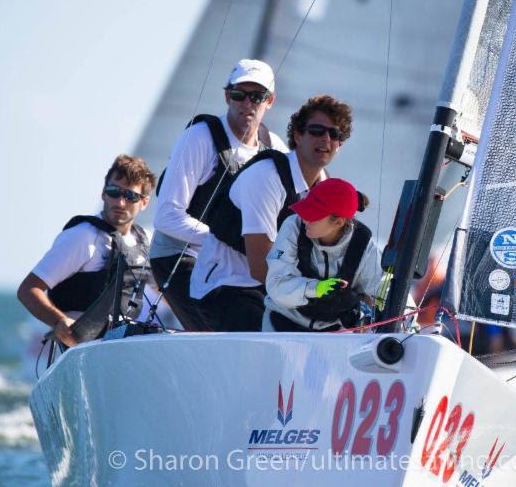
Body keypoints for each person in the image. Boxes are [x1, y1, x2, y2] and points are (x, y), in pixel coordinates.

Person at [190, 94, 353, 331]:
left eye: (335, 135)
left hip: (274, 291)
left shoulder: (325, 186)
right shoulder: (267, 178)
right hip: (226, 289)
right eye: (317, 130)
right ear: (297, 135)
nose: (326, 139)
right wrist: (312, 297)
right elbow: (260, 267)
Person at [150, 59, 287, 330]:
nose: (247, 103)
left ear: (269, 101)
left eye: (256, 96)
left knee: (276, 324)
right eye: (238, 95)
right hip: (180, 255)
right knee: (233, 331)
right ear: (227, 96)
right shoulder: (199, 137)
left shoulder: (276, 149)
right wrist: (225, 242)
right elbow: (166, 216)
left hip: (237, 264)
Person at [17, 155, 157, 347]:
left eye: (130, 196)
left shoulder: (145, 241)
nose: (120, 202)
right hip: (79, 350)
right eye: (113, 191)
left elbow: (165, 293)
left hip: (119, 349)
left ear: (144, 202)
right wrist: (59, 322)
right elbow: (28, 290)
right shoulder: (83, 237)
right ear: (103, 193)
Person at [262, 178, 384, 332]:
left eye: (312, 214)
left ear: (338, 223)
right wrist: (316, 289)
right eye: (305, 208)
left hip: (334, 332)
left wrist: (359, 306)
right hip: (283, 320)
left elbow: (381, 296)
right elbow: (276, 285)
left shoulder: (365, 247)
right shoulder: (293, 226)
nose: (304, 218)